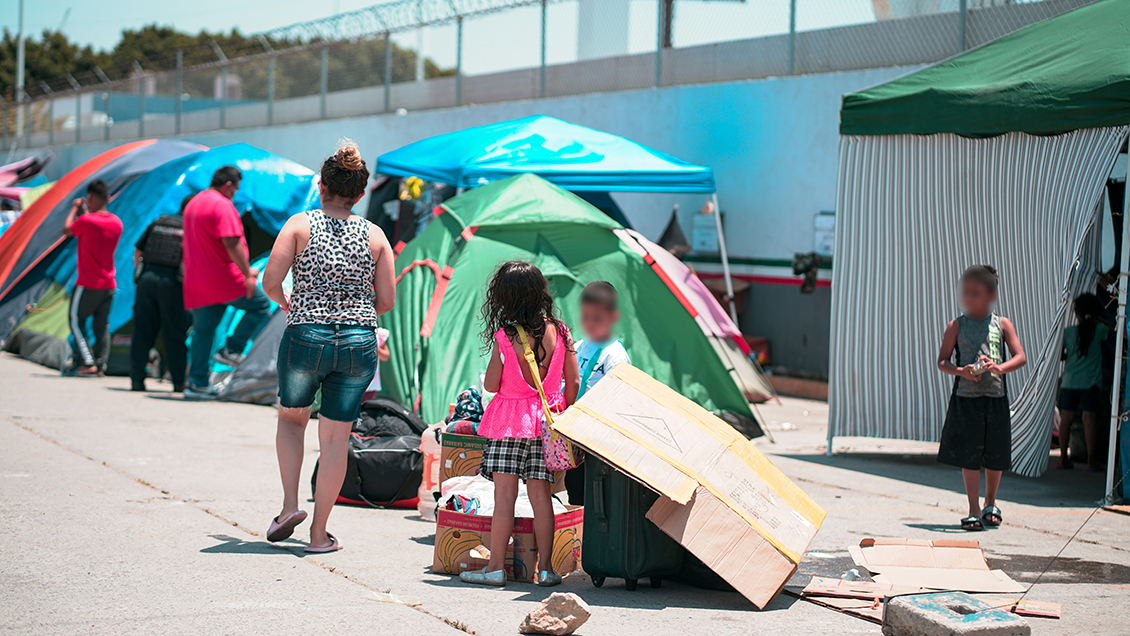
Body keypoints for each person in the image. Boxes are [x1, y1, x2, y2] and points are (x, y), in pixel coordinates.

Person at [261, 143, 396, 553]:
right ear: (361, 192)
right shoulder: (375, 235)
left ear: (321, 185)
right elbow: (387, 301)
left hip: (307, 334)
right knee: (336, 440)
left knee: (291, 419)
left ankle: (288, 508)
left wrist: (288, 302)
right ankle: (319, 534)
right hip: (358, 339)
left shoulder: (299, 226)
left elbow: (270, 280)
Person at [460, 261, 580, 587]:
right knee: (542, 498)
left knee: (504, 499)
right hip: (545, 425)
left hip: (508, 425)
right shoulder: (562, 332)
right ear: (540, 292)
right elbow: (573, 381)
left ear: (506, 299)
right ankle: (546, 570)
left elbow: (491, 385)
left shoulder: (505, 336)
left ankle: (495, 568)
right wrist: (563, 409)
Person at [936, 265, 1026, 532]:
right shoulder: (956, 325)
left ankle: (991, 503)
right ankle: (973, 508)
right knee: (969, 455)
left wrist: (999, 367)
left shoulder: (1002, 323)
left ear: (991, 295)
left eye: (976, 293)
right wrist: (961, 370)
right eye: (966, 292)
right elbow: (942, 361)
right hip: (966, 398)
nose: (969, 298)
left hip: (995, 396)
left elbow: (1020, 357)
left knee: (995, 453)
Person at [181, 166, 272, 400]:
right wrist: (248, 274)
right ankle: (232, 350)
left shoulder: (194, 203)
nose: (235, 195)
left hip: (197, 280)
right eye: (235, 190)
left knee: (203, 332)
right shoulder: (221, 204)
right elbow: (231, 241)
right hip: (222, 278)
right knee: (261, 305)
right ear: (228, 185)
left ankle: (197, 383)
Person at [564, 281, 632, 505]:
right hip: (575, 431)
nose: (590, 324)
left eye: (597, 318)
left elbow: (622, 397)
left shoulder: (615, 355)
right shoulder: (580, 345)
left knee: (594, 488)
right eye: (585, 317)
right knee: (573, 482)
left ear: (613, 317)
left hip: (598, 435)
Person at [129, 194, 194, 392]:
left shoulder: (159, 222)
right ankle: (178, 382)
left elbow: (138, 251)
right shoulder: (190, 229)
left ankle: (137, 380)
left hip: (147, 278)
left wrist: (139, 277)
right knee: (174, 332)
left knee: (142, 331)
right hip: (172, 282)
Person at [63, 179, 123, 376]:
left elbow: (67, 230)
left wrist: (74, 209)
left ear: (90, 197)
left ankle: (87, 362)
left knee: (75, 320)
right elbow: (94, 225)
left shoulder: (86, 222)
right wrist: (86, 212)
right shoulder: (117, 223)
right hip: (108, 284)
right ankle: (100, 364)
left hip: (87, 283)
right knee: (102, 325)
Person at [1057, 293, 1111, 471]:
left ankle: (1063, 458)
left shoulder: (1069, 333)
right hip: (1090, 382)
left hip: (1069, 381)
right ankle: (1091, 461)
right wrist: (1097, 318)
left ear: (1076, 313)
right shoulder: (1099, 331)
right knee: (1089, 420)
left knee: (1066, 419)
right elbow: (1114, 328)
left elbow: (1062, 355)